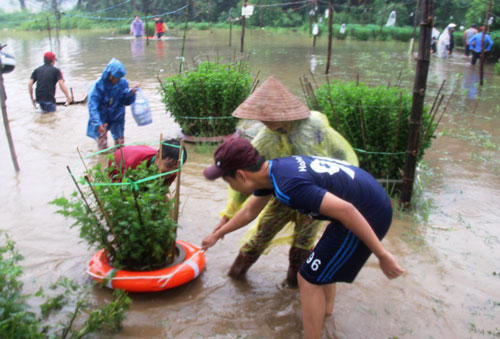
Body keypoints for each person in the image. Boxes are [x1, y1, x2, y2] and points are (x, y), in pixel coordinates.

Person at [201, 137, 405, 339]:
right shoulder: (273, 171)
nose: (231, 188)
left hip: (368, 213)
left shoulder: (289, 187)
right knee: (320, 263)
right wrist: (218, 234)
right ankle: (326, 314)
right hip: (364, 201)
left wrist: (382, 254)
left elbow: (347, 210)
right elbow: (249, 211)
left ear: (241, 175)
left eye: (228, 182)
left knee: (307, 278)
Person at [213, 76, 359, 287]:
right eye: (262, 117)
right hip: (283, 196)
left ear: (286, 113)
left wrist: (340, 200)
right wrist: (227, 217)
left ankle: (293, 288)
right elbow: (244, 180)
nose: (266, 121)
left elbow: (342, 157)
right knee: (258, 238)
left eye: (271, 116)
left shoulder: (314, 128)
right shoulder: (264, 139)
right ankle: (235, 281)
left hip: (314, 200)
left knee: (301, 248)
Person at [87, 58, 140, 150]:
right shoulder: (97, 86)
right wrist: (97, 123)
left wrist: (131, 93)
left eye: (120, 78)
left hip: (117, 116)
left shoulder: (122, 83)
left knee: (120, 145)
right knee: (102, 146)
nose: (119, 80)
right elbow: (93, 107)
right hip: (102, 118)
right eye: (117, 78)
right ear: (110, 75)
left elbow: (125, 100)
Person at [110, 139, 187, 187]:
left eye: (176, 168)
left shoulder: (173, 172)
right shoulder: (136, 162)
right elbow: (123, 187)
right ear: (157, 157)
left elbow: (162, 191)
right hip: (119, 160)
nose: (171, 172)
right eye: (168, 166)